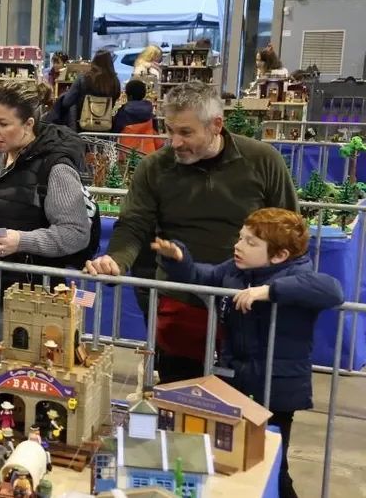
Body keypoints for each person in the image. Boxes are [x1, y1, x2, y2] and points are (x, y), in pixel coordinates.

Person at [84, 81, 299, 382]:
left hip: (246, 303)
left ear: (216, 126)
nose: (174, 142)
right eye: (169, 130)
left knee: (244, 395)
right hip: (180, 303)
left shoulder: (263, 160)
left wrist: (280, 286)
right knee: (179, 392)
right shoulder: (154, 168)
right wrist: (116, 260)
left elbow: (290, 228)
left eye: (186, 132)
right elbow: (134, 223)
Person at [145, 208, 343, 498]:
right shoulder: (234, 271)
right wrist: (178, 258)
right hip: (234, 383)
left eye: (251, 243)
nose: (238, 246)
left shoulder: (297, 273)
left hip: (276, 390)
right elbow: (201, 274)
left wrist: (269, 291)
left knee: (273, 465)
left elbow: (331, 289)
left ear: (280, 255)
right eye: (241, 238)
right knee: (232, 460)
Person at [0, 80, 93, 353]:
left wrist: (22, 241)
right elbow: (6, 207)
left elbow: (75, 232)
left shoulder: (55, 168)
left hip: (28, 299)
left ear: (29, 124)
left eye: (3, 123)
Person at [47, 49, 121, 132]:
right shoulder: (115, 82)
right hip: (105, 127)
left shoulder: (83, 79)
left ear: (94, 62)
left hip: (81, 127)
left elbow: (66, 102)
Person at [112, 79, 164, 156]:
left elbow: (115, 132)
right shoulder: (150, 114)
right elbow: (156, 134)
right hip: (147, 152)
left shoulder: (123, 113)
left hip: (126, 152)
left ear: (129, 96)